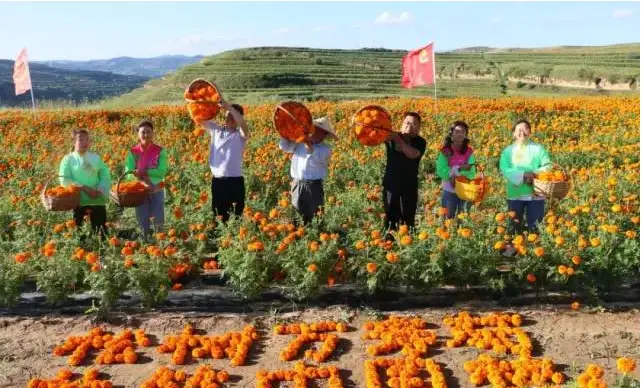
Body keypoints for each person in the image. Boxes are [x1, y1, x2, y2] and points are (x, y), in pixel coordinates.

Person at [499, 119, 552, 256]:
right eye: (518, 130)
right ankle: (512, 251)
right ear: (513, 134)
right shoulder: (508, 151)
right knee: (514, 222)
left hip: (536, 191)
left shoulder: (538, 148)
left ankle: (533, 253)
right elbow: (504, 169)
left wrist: (534, 174)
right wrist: (523, 175)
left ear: (530, 131)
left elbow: (548, 166)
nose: (521, 132)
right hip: (516, 191)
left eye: (525, 129)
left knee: (535, 224)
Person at [197, 100, 249, 222]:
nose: (229, 118)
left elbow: (242, 123)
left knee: (236, 215)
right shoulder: (216, 130)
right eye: (227, 115)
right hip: (218, 181)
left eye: (232, 115)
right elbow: (200, 118)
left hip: (235, 181)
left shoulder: (241, 134)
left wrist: (229, 107)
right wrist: (210, 106)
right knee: (219, 215)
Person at [279, 117, 337, 225]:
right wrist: (284, 132)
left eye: (318, 131)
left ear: (324, 135)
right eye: (313, 129)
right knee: (297, 214)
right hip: (297, 183)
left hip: (313, 186)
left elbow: (312, 153)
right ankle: (298, 235)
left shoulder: (325, 150)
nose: (314, 133)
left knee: (315, 215)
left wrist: (305, 141)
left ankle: (315, 235)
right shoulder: (299, 144)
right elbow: (284, 146)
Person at [58, 129, 112, 235]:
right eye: (81, 140)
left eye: (87, 139)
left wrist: (99, 189)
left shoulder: (95, 158)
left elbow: (105, 175)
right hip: (78, 202)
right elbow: (64, 179)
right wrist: (83, 187)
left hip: (97, 200)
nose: (85, 142)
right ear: (74, 142)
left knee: (101, 234)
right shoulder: (68, 159)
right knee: (80, 234)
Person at [382, 112, 427, 231]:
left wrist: (398, 139)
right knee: (391, 218)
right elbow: (375, 137)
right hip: (391, 185)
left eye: (414, 124)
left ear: (418, 128)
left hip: (409, 185)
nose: (410, 126)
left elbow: (412, 154)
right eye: (407, 122)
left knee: (408, 219)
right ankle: (389, 244)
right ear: (401, 124)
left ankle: (408, 243)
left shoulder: (420, 142)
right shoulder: (392, 136)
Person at [124, 120, 169, 239]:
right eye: (143, 132)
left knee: (158, 216)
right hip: (139, 190)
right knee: (142, 217)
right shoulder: (133, 152)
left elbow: (162, 171)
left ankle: (159, 241)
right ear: (138, 134)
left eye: (148, 132)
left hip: (156, 188)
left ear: (153, 133)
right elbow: (128, 173)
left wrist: (143, 171)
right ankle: (145, 241)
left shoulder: (160, 151)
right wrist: (136, 176)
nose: (146, 135)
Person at [436, 121, 477, 219]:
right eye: (457, 131)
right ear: (451, 134)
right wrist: (459, 169)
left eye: (463, 132)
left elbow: (472, 172)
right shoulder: (445, 151)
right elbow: (441, 170)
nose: (460, 134)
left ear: (466, 135)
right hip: (449, 191)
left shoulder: (469, 152)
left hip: (465, 190)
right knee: (448, 219)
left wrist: (456, 173)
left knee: (463, 219)